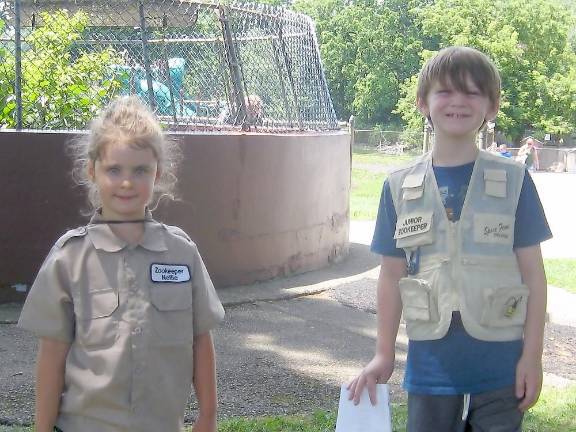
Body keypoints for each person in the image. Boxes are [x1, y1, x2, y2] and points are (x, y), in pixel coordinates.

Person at [347, 46, 551, 432]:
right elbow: (391, 276)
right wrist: (383, 353)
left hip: (501, 367)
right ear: (423, 102)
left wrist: (532, 356)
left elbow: (534, 277)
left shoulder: (515, 181)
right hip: (431, 367)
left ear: (491, 107)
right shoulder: (397, 187)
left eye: (473, 92)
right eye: (445, 92)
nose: (458, 102)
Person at [18, 96, 225, 432]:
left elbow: (201, 340)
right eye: (114, 170)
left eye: (140, 170)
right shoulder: (70, 258)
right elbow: (52, 357)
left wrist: (207, 415)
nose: (126, 182)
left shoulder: (181, 254)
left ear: (157, 173)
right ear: (92, 171)